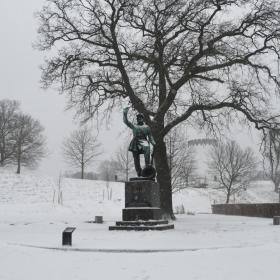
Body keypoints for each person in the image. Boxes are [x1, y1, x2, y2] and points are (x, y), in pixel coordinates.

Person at [123, 107, 156, 177]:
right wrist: (125, 113)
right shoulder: (134, 126)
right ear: (137, 119)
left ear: (143, 119)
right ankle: (139, 172)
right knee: (136, 159)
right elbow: (126, 122)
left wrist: (153, 143)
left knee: (147, 151)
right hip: (135, 142)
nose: (139, 119)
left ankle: (147, 169)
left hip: (144, 141)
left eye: (141, 118)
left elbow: (150, 137)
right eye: (138, 118)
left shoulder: (147, 127)